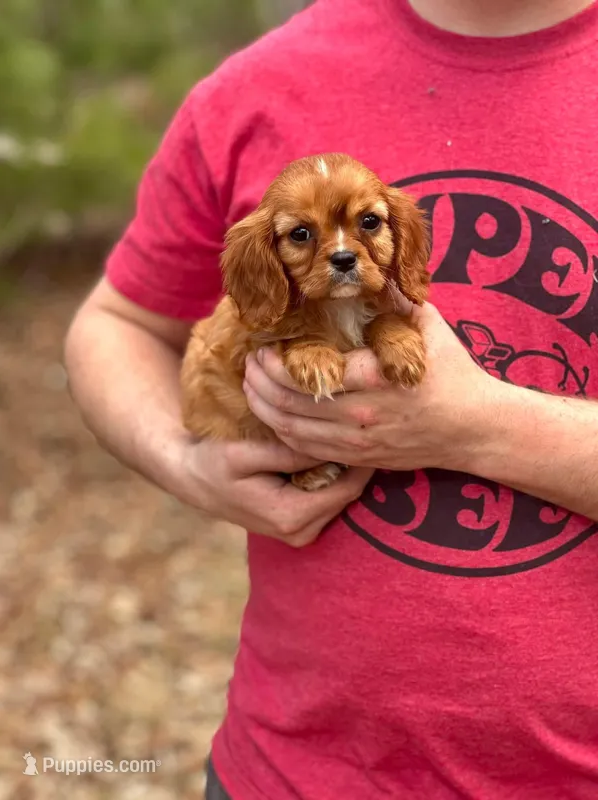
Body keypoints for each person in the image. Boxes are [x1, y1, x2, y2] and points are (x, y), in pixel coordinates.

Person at [64, 0, 598, 796]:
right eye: (308, 236)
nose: (342, 250)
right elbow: (113, 323)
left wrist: (478, 426)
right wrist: (185, 461)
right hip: (289, 773)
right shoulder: (255, 86)